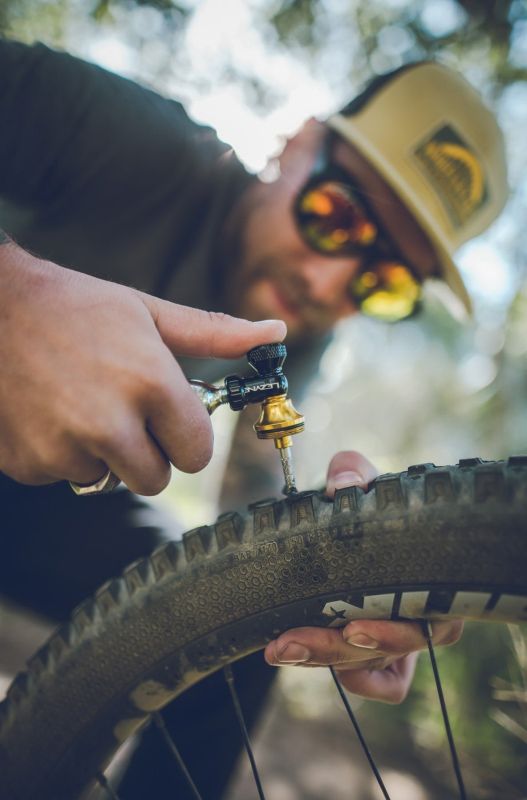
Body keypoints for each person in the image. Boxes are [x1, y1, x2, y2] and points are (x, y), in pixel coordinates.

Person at [0, 39, 507, 797]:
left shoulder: (288, 339)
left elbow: (248, 529)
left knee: (229, 626)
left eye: (384, 282)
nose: (328, 283)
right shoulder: (128, 140)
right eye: (334, 215)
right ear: (296, 141)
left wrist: (334, 569)